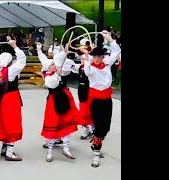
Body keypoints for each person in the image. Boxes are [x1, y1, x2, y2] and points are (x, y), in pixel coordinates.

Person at [82, 31, 121, 167]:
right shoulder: (90, 68)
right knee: (99, 128)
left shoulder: (107, 64)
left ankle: (96, 140)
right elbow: (87, 72)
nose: (97, 59)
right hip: (96, 101)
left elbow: (116, 51)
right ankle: (96, 156)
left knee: (106, 128)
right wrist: (86, 57)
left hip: (107, 100)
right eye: (95, 57)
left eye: (99, 56)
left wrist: (109, 38)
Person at [37, 43, 79, 162]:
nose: (54, 66)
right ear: (47, 68)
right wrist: (57, 73)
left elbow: (60, 58)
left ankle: (66, 148)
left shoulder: (57, 71)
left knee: (65, 122)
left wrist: (66, 50)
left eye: (54, 64)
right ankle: (50, 152)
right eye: (52, 65)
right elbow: (53, 83)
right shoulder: (48, 77)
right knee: (53, 124)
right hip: (53, 101)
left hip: (62, 99)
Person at [0, 40, 26, 161]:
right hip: (10, 98)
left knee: (3, 122)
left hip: (1, 98)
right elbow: (22, 60)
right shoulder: (10, 70)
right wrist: (15, 46)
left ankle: (4, 147)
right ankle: (9, 152)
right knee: (13, 122)